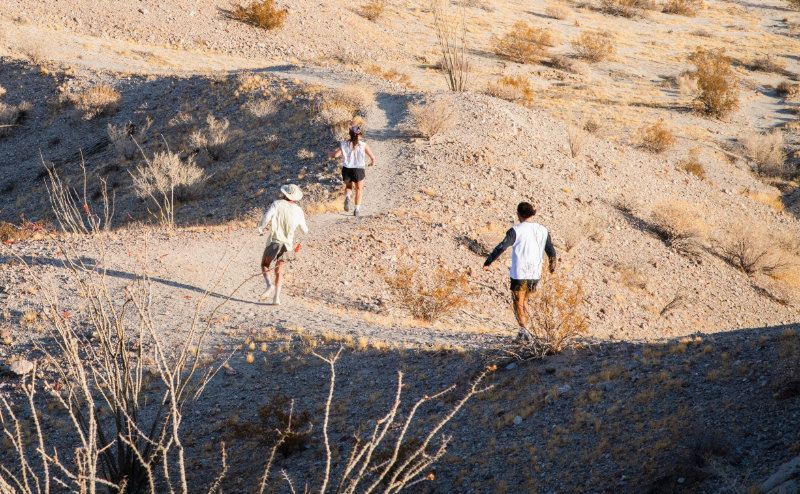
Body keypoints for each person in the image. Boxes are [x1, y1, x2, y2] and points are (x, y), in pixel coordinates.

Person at [483, 202, 557, 340]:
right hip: (535, 273)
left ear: (518, 214)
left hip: (520, 272)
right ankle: (526, 330)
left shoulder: (515, 230)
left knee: (518, 301)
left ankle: (524, 331)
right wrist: (552, 267)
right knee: (525, 301)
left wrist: (489, 262)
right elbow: (551, 250)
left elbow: (502, 247)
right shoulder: (542, 230)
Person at [257, 184, 308, 305]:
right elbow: (304, 230)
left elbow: (266, 217)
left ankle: (269, 285)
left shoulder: (277, 204)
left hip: (275, 240)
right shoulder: (298, 210)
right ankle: (276, 298)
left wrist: (261, 229)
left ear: (284, 194)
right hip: (288, 244)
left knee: (265, 265)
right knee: (279, 271)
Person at [327, 125, 375, 217]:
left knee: (348, 187)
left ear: (349, 134)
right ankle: (356, 210)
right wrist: (372, 162)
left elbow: (335, 155)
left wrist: (328, 152)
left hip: (347, 168)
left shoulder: (344, 144)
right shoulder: (363, 145)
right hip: (359, 169)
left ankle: (347, 197)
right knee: (359, 190)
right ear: (359, 135)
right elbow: (372, 157)